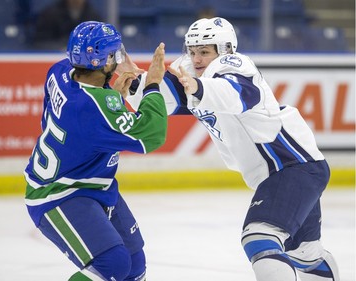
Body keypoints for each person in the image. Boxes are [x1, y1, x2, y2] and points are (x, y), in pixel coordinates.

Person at [127, 17, 340, 281]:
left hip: (292, 167)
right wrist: (133, 85)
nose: (196, 59)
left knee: (259, 238)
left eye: (204, 51)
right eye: (192, 52)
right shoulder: (195, 77)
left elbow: (234, 94)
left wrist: (198, 87)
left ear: (225, 49)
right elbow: (164, 100)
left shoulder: (235, 65)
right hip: (291, 171)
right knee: (306, 254)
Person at [23, 21, 167, 281]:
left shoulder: (59, 72)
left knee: (135, 263)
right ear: (106, 59)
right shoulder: (95, 108)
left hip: (92, 182)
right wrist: (153, 84)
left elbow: (92, 110)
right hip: (59, 194)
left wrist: (109, 93)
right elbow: (151, 134)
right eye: (116, 53)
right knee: (112, 264)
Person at [32, 0, 102, 50]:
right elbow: (40, 42)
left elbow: (99, 43)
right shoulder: (50, 14)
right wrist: (60, 47)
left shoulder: (94, 17)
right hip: (54, 58)